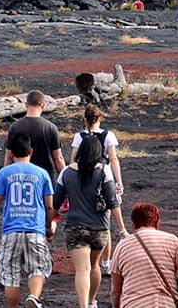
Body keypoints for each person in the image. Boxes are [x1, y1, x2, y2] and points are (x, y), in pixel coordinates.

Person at [0, 134, 55, 308]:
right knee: (38, 268)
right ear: (31, 152)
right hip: (35, 231)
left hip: (11, 231)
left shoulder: (4, 173)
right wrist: (48, 226)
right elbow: (50, 206)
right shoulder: (42, 174)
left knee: (10, 276)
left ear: (11, 153)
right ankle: (34, 296)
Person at [54, 135, 130, 308]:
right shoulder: (104, 171)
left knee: (82, 270)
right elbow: (113, 202)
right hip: (99, 229)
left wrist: (48, 224)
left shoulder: (66, 172)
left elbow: (56, 203)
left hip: (75, 228)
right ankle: (91, 301)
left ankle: (83, 305)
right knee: (94, 265)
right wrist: (122, 229)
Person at [68, 105, 125, 275]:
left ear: (85, 119)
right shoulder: (108, 136)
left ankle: (87, 259)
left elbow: (73, 160)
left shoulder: (79, 136)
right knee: (104, 222)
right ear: (100, 118)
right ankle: (105, 262)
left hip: (82, 181)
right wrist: (118, 182)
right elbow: (113, 159)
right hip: (103, 179)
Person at [111, 203, 178, 308]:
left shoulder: (122, 246)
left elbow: (116, 291)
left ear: (134, 224)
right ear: (158, 222)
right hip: (168, 304)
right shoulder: (173, 241)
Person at [4, 91, 66, 177]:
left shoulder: (14, 127)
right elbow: (58, 158)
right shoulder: (51, 128)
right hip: (45, 179)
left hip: (21, 178)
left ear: (26, 105)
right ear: (43, 106)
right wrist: (65, 179)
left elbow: (9, 156)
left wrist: (5, 177)